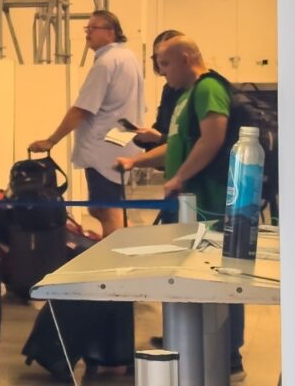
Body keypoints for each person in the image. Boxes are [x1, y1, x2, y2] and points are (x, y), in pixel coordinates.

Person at [114, 35, 244, 377]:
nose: (162, 71)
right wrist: (135, 162)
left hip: (209, 202)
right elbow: (177, 145)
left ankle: (229, 356)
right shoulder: (186, 96)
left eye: (166, 63)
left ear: (187, 57)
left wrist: (178, 177)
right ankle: (194, 343)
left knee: (219, 274)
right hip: (189, 203)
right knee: (191, 274)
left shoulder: (208, 89)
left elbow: (212, 137)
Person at [29, 10, 144, 237]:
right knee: (106, 207)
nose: (88, 33)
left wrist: (51, 141)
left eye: (94, 28)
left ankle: (114, 263)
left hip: (104, 147)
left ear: (111, 33)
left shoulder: (106, 64)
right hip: (120, 142)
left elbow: (82, 108)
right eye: (87, 29)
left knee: (106, 209)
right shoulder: (128, 57)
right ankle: (132, 246)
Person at [132, 29, 186, 150]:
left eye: (165, 63)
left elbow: (192, 144)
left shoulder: (200, 90)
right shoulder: (168, 89)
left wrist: (159, 138)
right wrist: (144, 137)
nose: (161, 71)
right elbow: (161, 127)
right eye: (158, 62)